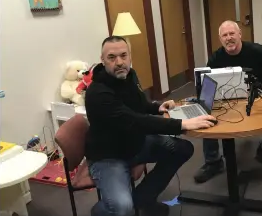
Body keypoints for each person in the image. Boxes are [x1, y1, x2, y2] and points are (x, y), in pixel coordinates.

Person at [85, 36, 216, 216]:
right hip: (108, 156)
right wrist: (182, 124)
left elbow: (139, 105)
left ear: (130, 56)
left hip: (135, 144)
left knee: (182, 149)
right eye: (112, 57)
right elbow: (135, 120)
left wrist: (156, 107)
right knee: (122, 207)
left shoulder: (129, 76)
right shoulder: (98, 93)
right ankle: (104, 210)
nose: (119, 62)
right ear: (102, 60)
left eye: (124, 55)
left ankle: (142, 198)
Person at [194, 20, 262, 184]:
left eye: (232, 33)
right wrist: (204, 102)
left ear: (240, 34)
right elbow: (208, 84)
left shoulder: (257, 51)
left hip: (257, 95)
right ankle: (213, 162)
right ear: (220, 39)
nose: (228, 38)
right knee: (206, 115)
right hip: (227, 99)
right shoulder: (215, 59)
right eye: (224, 35)